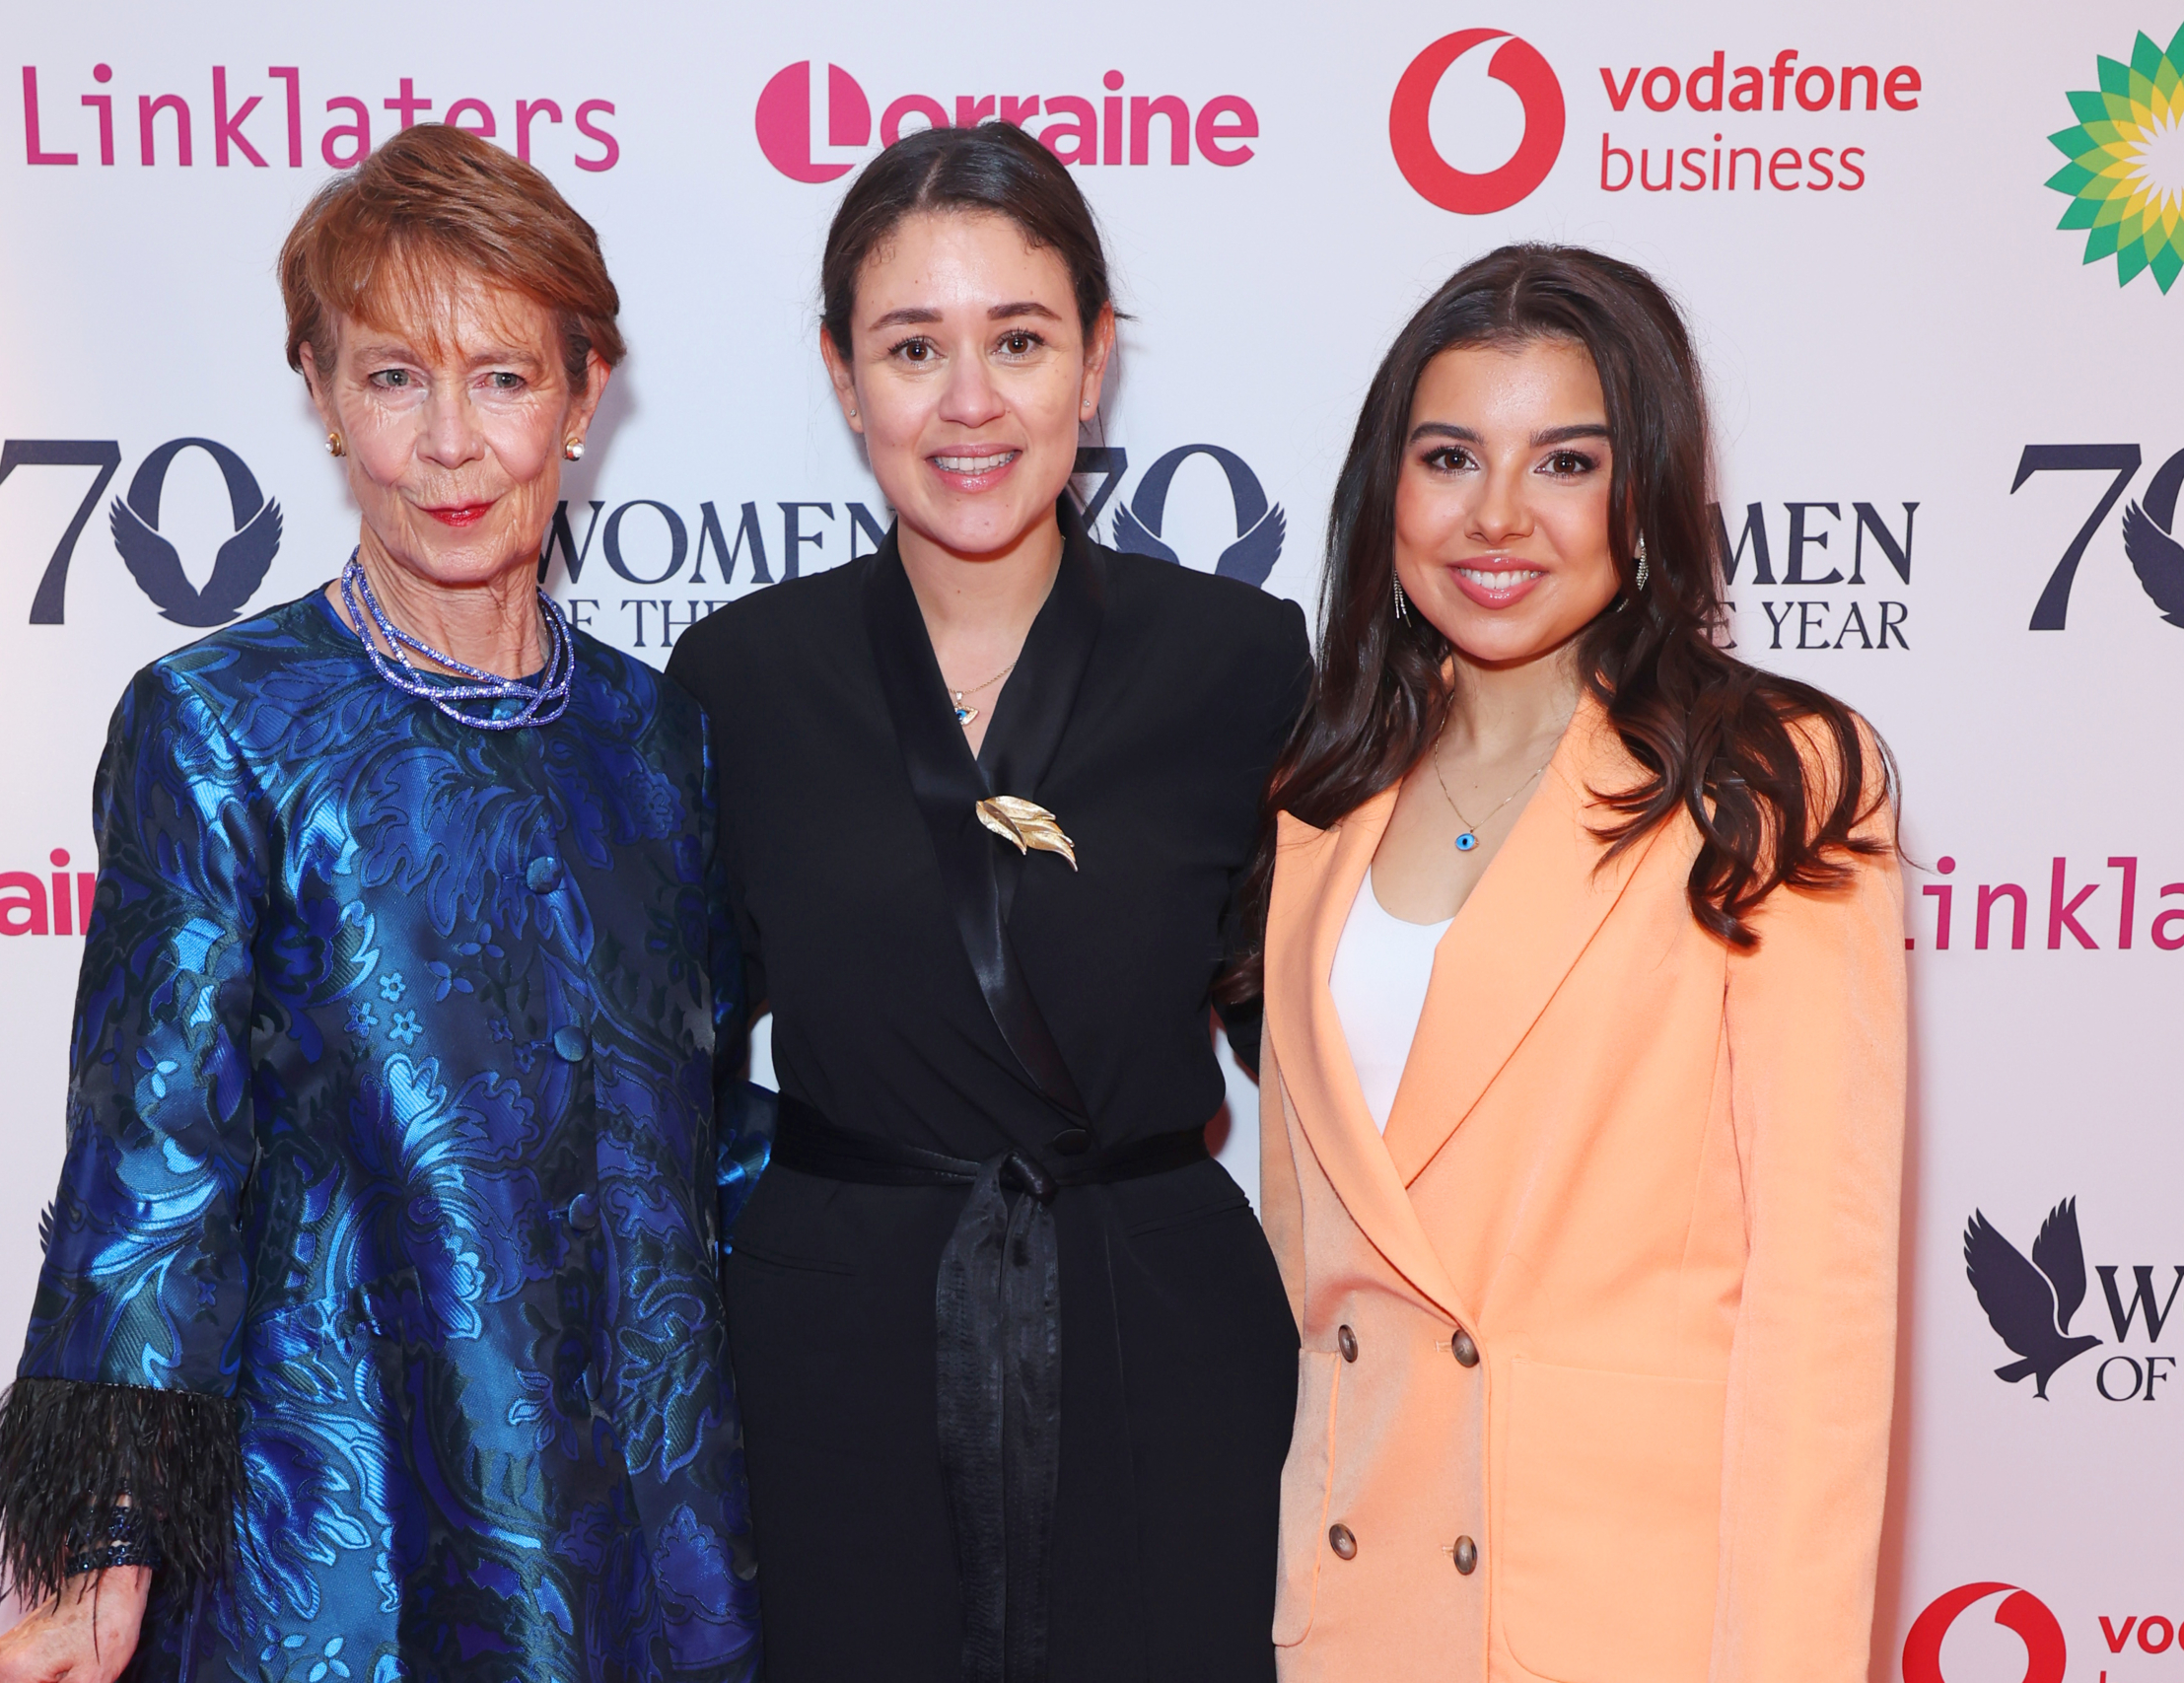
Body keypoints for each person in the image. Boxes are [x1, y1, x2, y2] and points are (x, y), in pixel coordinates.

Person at [0, 124, 759, 1683]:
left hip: (654, 1531)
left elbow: (711, 1138)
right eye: (395, 377)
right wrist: (104, 1542)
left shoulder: (662, 739)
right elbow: (154, 1155)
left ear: (586, 396)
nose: (452, 443)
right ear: (325, 398)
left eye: (506, 377)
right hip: (343, 1533)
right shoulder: (222, 727)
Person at [665, 122, 1307, 1683]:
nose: (969, 404)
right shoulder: (739, 677)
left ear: (1093, 364)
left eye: (1019, 341)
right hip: (835, 1344)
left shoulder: (1243, 660)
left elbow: (1321, 1042)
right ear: (841, 375)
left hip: (1157, 1324)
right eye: (911, 348)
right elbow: (658, 1066)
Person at [1232, 244, 1905, 1682]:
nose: (1497, 516)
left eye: (1565, 463)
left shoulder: (1770, 782)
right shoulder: (1321, 800)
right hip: (1356, 1611)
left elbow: (1818, 1311)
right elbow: (1314, 1275)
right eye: (1452, 455)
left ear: (1644, 492)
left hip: (1622, 1620)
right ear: (1388, 491)